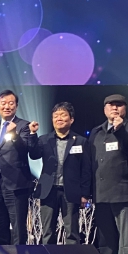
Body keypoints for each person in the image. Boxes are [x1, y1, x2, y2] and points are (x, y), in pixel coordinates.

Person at [89, 94, 128, 254]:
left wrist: (120, 130)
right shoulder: (96, 131)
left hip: (123, 190)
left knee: (126, 234)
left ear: (125, 108)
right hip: (100, 191)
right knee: (105, 235)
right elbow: (90, 161)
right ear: (104, 109)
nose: (115, 108)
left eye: (119, 105)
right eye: (111, 105)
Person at [28, 102, 91, 245]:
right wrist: (32, 134)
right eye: (56, 116)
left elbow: (86, 169)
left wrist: (85, 194)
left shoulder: (81, 141)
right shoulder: (44, 139)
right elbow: (34, 155)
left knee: (72, 232)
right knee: (47, 231)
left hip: (71, 191)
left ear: (71, 119)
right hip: (48, 191)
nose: (59, 118)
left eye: (63, 115)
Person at [0, 90, 39, 246]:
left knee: (18, 228)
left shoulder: (24, 126)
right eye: (3, 103)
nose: (7, 107)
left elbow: (25, 150)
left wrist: (14, 135)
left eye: (11, 103)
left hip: (17, 184)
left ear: (16, 106)